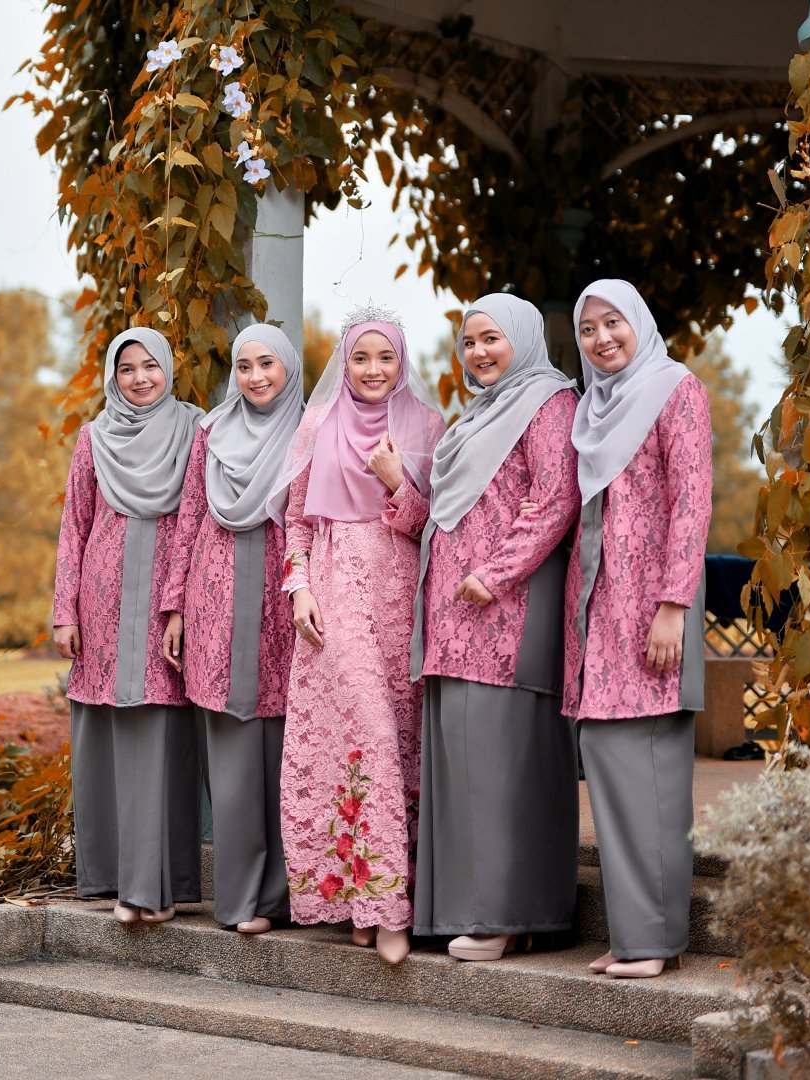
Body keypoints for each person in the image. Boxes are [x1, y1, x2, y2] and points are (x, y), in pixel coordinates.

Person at [411, 293, 582, 962]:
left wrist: (497, 573)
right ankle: (465, 911)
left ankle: (503, 916)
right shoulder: (478, 413)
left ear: (522, 338)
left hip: (508, 613)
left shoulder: (549, 403)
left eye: (492, 338)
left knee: (503, 764)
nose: (479, 352)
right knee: (463, 765)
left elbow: (556, 499)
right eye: (470, 340)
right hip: (454, 617)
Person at [275, 304, 444, 965]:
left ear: (402, 361)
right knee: (363, 737)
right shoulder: (317, 423)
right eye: (360, 357)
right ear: (344, 363)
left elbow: (434, 524)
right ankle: (379, 906)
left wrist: (398, 482)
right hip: (335, 595)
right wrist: (299, 588)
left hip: (401, 597)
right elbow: (296, 521)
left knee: (401, 742)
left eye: (386, 357)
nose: (374, 370)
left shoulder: (426, 423)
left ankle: (381, 902)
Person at [564, 279, 712, 978]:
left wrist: (674, 604)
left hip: (653, 615)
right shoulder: (592, 409)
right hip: (600, 617)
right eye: (588, 328)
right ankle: (634, 935)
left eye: (613, 322)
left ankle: (654, 940)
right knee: (611, 766)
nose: (602, 338)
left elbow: (693, 500)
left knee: (651, 774)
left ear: (639, 323)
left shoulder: (675, 389)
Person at [53, 327, 204, 925]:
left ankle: (152, 889)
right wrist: (65, 610)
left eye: (150, 366)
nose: (140, 378)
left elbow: (198, 519)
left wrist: (181, 604)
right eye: (127, 369)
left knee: (159, 732)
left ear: (168, 368)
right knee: (108, 730)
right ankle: (113, 877)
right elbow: (74, 526)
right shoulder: (94, 438)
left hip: (166, 601)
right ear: (113, 378)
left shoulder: (194, 430)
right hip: (103, 601)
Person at [160, 324, 304, 935]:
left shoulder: (310, 430)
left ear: (288, 366)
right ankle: (243, 901)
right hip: (215, 599)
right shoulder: (211, 432)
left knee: (290, 749)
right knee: (233, 754)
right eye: (244, 367)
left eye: (266, 363)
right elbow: (190, 518)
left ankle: (288, 897)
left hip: (285, 601)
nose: (255, 377)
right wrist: (175, 607)